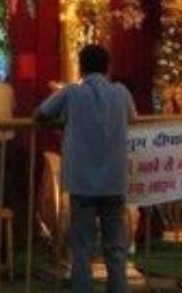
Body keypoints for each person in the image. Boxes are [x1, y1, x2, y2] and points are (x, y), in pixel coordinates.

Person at [33, 43, 135, 293]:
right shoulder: (121, 93)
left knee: (82, 248)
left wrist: (62, 121)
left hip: (83, 181)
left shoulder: (71, 93)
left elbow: (40, 114)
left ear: (80, 67)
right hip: (114, 180)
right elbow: (132, 118)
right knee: (116, 249)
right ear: (108, 66)